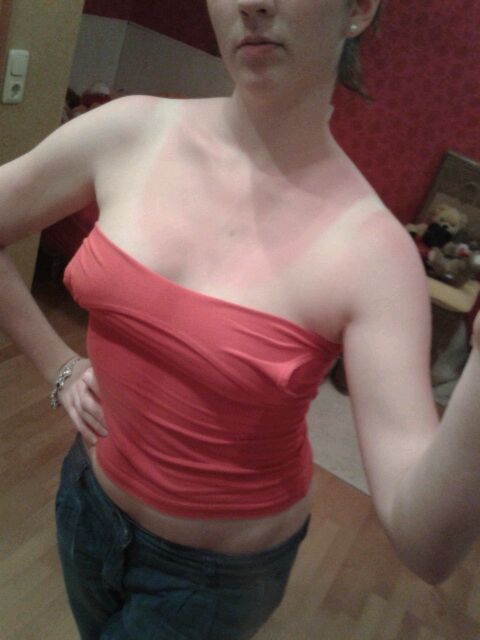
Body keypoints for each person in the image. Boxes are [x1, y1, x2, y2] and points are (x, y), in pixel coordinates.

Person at [1, 0, 479, 638]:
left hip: (211, 582)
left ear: (359, 9)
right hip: (86, 505)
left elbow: (426, 545)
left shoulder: (376, 257)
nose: (252, 3)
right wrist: (57, 364)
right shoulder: (126, 132)